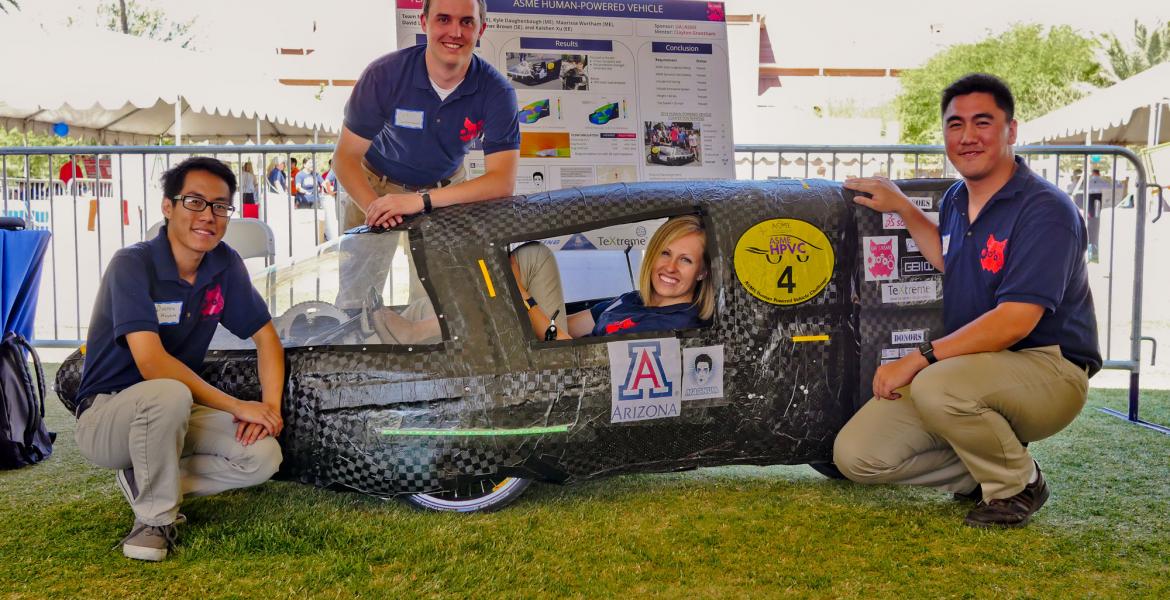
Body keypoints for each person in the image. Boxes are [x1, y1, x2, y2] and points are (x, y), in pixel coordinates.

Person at [834, 73, 1099, 528]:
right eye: (955, 125)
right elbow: (951, 257)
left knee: (938, 381)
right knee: (857, 456)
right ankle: (983, 472)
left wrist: (919, 358)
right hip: (976, 369)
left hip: (1050, 370)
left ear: (1011, 130)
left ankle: (1017, 483)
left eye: (983, 122)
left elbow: (1015, 321)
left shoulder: (1046, 209)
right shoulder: (958, 197)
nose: (968, 136)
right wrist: (902, 205)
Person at [72, 157, 285, 561]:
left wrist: (269, 411)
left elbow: (267, 339)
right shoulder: (132, 264)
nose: (208, 216)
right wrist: (240, 406)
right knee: (167, 392)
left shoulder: (224, 264)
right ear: (168, 207)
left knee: (262, 457)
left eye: (220, 206)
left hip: (176, 409)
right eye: (195, 202)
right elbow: (152, 364)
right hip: (106, 415)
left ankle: (147, 476)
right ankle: (155, 520)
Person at [372, 215, 714, 344]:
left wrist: (522, 295)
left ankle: (412, 330)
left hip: (563, 370)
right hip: (552, 341)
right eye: (665, 254)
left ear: (701, 272)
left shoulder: (673, 323)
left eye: (685, 260)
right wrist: (513, 296)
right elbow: (572, 324)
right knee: (525, 264)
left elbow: (567, 353)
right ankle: (414, 323)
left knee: (530, 261)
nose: (669, 267)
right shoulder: (633, 299)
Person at [332, 0, 520, 231]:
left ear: (481, 29)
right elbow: (345, 158)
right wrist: (377, 209)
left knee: (445, 268)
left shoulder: (498, 92)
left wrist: (422, 200)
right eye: (443, 19)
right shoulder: (382, 76)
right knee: (362, 268)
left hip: (446, 192)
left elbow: (502, 182)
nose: (455, 32)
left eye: (466, 21)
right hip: (375, 188)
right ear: (424, 22)